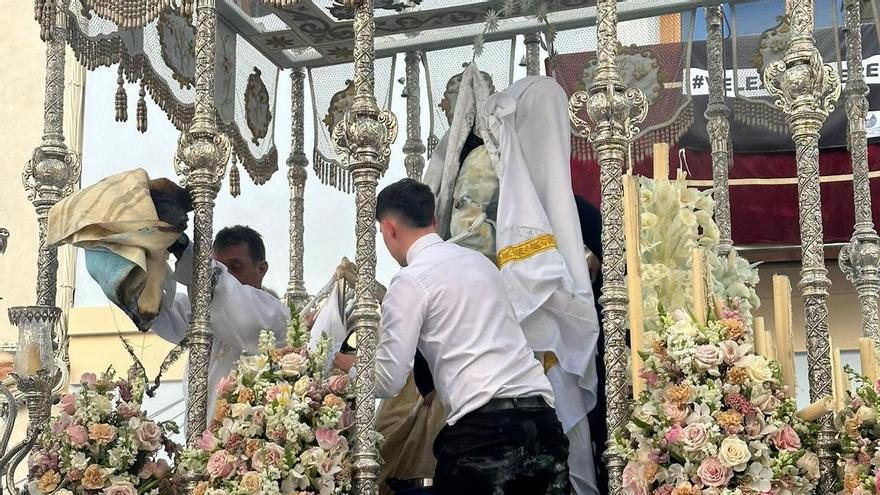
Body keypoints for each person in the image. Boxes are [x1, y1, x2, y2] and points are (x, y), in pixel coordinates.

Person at [334, 178, 570, 494]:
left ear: (389, 229)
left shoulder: (409, 281)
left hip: (483, 436)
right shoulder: (482, 264)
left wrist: (351, 367)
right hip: (543, 423)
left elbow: (389, 379)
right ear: (433, 220)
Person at [153, 225, 289, 420]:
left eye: (235, 268)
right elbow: (163, 310)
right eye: (220, 268)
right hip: (202, 443)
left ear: (261, 269)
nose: (228, 276)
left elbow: (230, 297)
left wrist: (184, 248)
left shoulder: (274, 316)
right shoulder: (210, 311)